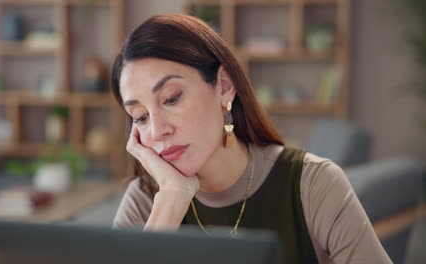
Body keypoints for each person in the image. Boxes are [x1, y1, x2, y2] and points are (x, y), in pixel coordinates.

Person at [110, 14, 392, 263]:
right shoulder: (146, 201)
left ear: (224, 86)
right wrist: (172, 197)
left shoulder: (312, 184)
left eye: (171, 98)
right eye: (140, 116)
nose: (158, 130)